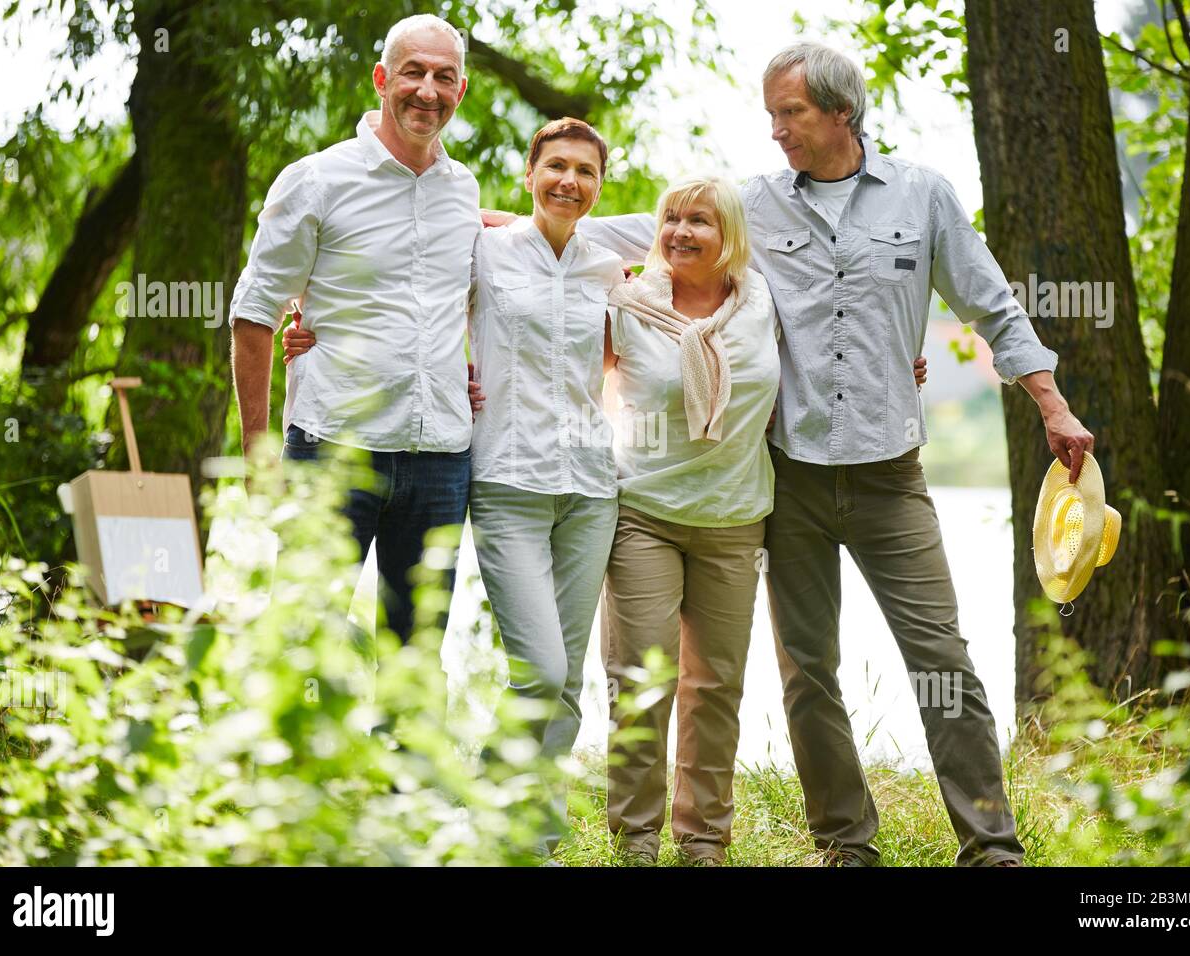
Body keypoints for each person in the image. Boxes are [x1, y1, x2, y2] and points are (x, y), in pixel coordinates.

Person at [576, 41, 1095, 866]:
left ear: (840, 114)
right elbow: (614, 233)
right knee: (808, 673)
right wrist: (496, 227)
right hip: (790, 486)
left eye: (791, 113)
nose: (776, 129)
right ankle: (845, 845)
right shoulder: (752, 204)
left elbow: (992, 304)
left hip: (893, 477)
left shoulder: (922, 196)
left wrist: (1053, 407)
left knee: (943, 661)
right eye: (772, 113)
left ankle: (992, 845)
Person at [287, 118, 624, 857]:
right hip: (505, 475)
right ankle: (489, 800)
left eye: (586, 171)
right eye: (555, 166)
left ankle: (529, 833)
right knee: (541, 668)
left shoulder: (610, 266)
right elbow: (401, 290)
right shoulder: (483, 247)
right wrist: (311, 325)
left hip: (593, 486)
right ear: (529, 171)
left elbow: (693, 278)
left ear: (602, 184)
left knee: (567, 679)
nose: (569, 181)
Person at [229, 15, 479, 644]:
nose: (427, 90)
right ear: (380, 79)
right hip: (334, 447)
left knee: (415, 654)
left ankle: (404, 751)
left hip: (441, 458)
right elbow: (255, 311)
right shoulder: (317, 179)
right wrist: (259, 452)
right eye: (413, 72)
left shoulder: (463, 191)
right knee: (302, 642)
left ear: (461, 90)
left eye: (443, 77)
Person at [599, 175, 779, 867]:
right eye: (670, 218)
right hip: (644, 511)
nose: (679, 232)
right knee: (642, 678)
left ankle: (703, 839)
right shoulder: (629, 301)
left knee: (715, 685)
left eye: (698, 220)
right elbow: (561, 365)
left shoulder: (762, 300)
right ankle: (636, 838)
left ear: (729, 234)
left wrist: (899, 366)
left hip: (735, 517)